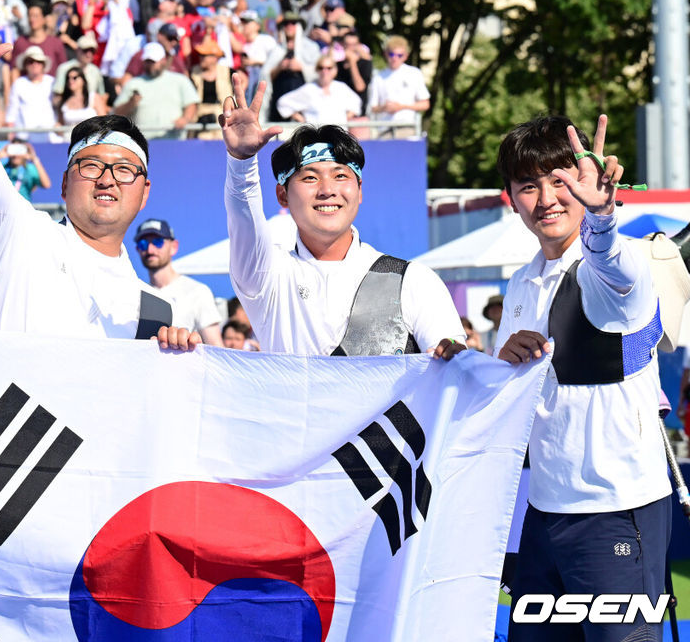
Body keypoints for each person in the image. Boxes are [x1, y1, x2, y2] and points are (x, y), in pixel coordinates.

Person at [494, 115, 669, 642]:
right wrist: (499, 362)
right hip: (543, 514)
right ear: (511, 198)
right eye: (530, 185)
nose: (547, 197)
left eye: (561, 180)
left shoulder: (614, 266)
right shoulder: (521, 284)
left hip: (618, 510)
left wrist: (603, 216)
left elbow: (611, 260)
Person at [0, 0, 198, 349]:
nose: (107, 179)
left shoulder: (158, 313)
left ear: (144, 193)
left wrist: (175, 361)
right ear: (64, 184)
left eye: (124, 170)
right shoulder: (19, 231)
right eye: (91, 166)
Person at [218, 74, 466, 358]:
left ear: (359, 190)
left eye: (340, 176)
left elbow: (458, 367)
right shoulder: (268, 276)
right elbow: (243, 218)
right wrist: (241, 163)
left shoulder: (412, 280)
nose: (327, 190)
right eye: (310, 178)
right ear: (282, 195)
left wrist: (455, 355)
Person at [134, 219, 223, 346]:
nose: (150, 249)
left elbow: (215, 346)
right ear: (137, 249)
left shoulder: (197, 291)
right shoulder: (137, 294)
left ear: (174, 247)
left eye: (157, 242)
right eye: (143, 244)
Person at [113, 41, 198, 140]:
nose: (150, 65)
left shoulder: (180, 80)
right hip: (142, 142)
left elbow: (191, 103)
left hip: (173, 141)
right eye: (147, 61)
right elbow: (117, 114)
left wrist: (185, 119)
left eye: (153, 61)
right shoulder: (133, 83)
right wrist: (131, 103)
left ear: (163, 60)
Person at [368, 35, 429, 139]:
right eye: (391, 54)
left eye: (399, 55)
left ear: (406, 56)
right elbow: (372, 108)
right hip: (385, 130)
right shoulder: (378, 77)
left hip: (407, 128)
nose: (395, 58)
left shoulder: (414, 73)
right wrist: (384, 107)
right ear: (386, 54)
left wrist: (401, 107)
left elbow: (425, 104)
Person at [276, 53, 361, 126]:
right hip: (315, 137)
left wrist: (344, 119)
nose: (325, 71)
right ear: (317, 70)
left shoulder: (341, 88)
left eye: (329, 68)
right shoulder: (309, 89)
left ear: (335, 70)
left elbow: (356, 103)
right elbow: (283, 103)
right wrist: (302, 120)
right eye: (321, 68)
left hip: (339, 136)